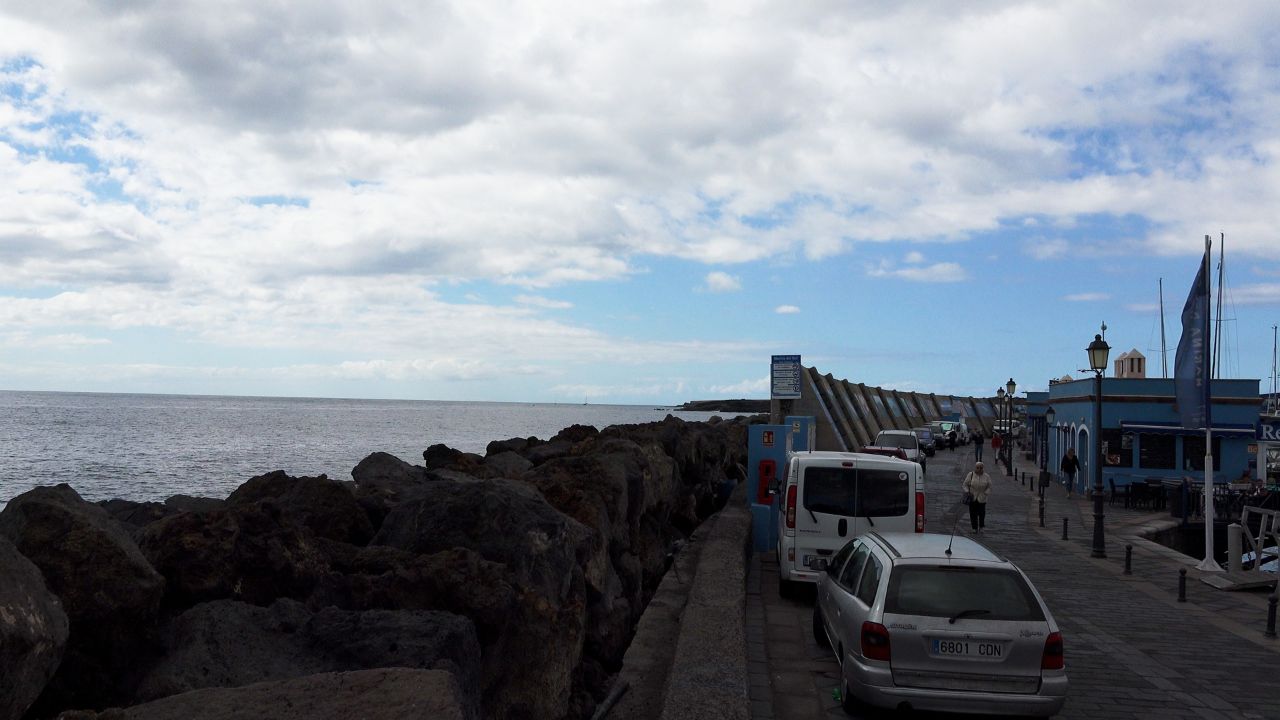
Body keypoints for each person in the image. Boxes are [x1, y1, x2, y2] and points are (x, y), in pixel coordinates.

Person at [963, 462, 993, 532]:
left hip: (982, 498)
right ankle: (974, 528)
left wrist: (986, 493)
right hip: (972, 497)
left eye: (981, 468)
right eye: (977, 467)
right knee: (973, 513)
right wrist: (967, 491)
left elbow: (990, 487)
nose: (979, 469)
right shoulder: (971, 475)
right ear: (975, 468)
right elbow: (965, 484)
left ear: (983, 468)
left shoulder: (987, 476)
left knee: (982, 513)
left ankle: (981, 526)